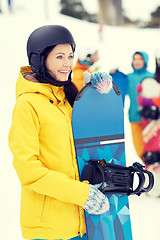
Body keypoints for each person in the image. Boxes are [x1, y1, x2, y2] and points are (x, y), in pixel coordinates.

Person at [8, 25, 109, 240]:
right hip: (47, 230)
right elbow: (29, 171)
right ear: (39, 59)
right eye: (59, 56)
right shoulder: (27, 105)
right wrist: (82, 194)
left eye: (70, 56)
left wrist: (96, 95)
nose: (67, 63)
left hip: (81, 224)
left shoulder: (67, 98)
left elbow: (89, 137)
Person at [127, 51, 154, 158]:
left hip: (150, 118)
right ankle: (147, 169)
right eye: (135, 59)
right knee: (139, 148)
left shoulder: (152, 76)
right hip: (134, 117)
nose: (137, 62)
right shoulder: (128, 77)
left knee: (152, 147)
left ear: (145, 61)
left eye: (140, 59)